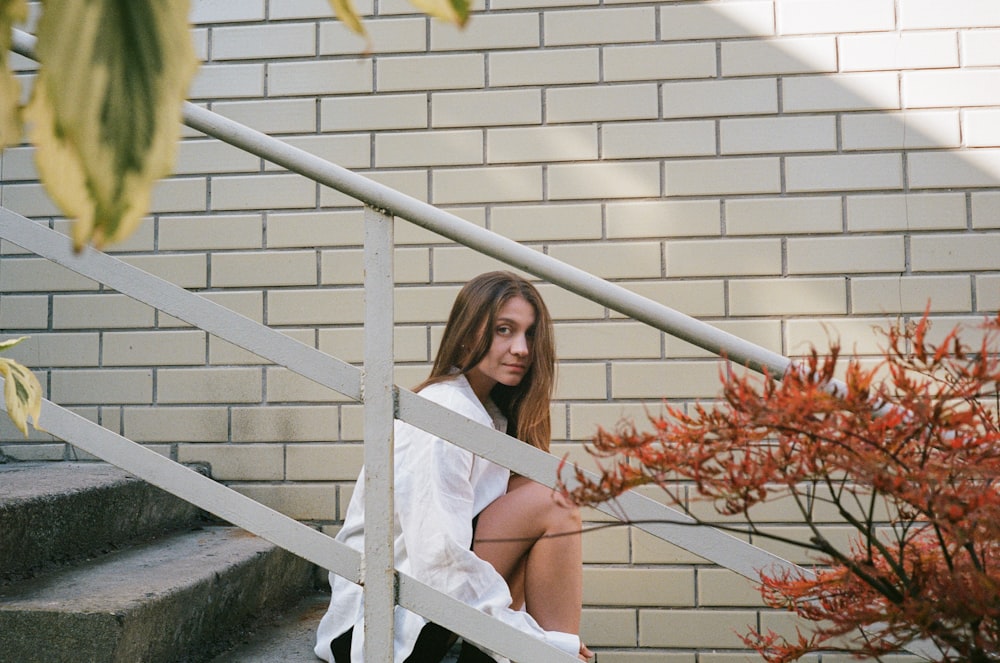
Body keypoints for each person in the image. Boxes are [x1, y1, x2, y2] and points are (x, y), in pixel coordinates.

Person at [315, 271, 593, 662]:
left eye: (530, 334)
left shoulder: (486, 415)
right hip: (379, 628)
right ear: (467, 334)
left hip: (422, 606)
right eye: (503, 330)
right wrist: (543, 644)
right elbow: (439, 560)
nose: (522, 348)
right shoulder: (446, 412)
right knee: (554, 503)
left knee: (531, 490)